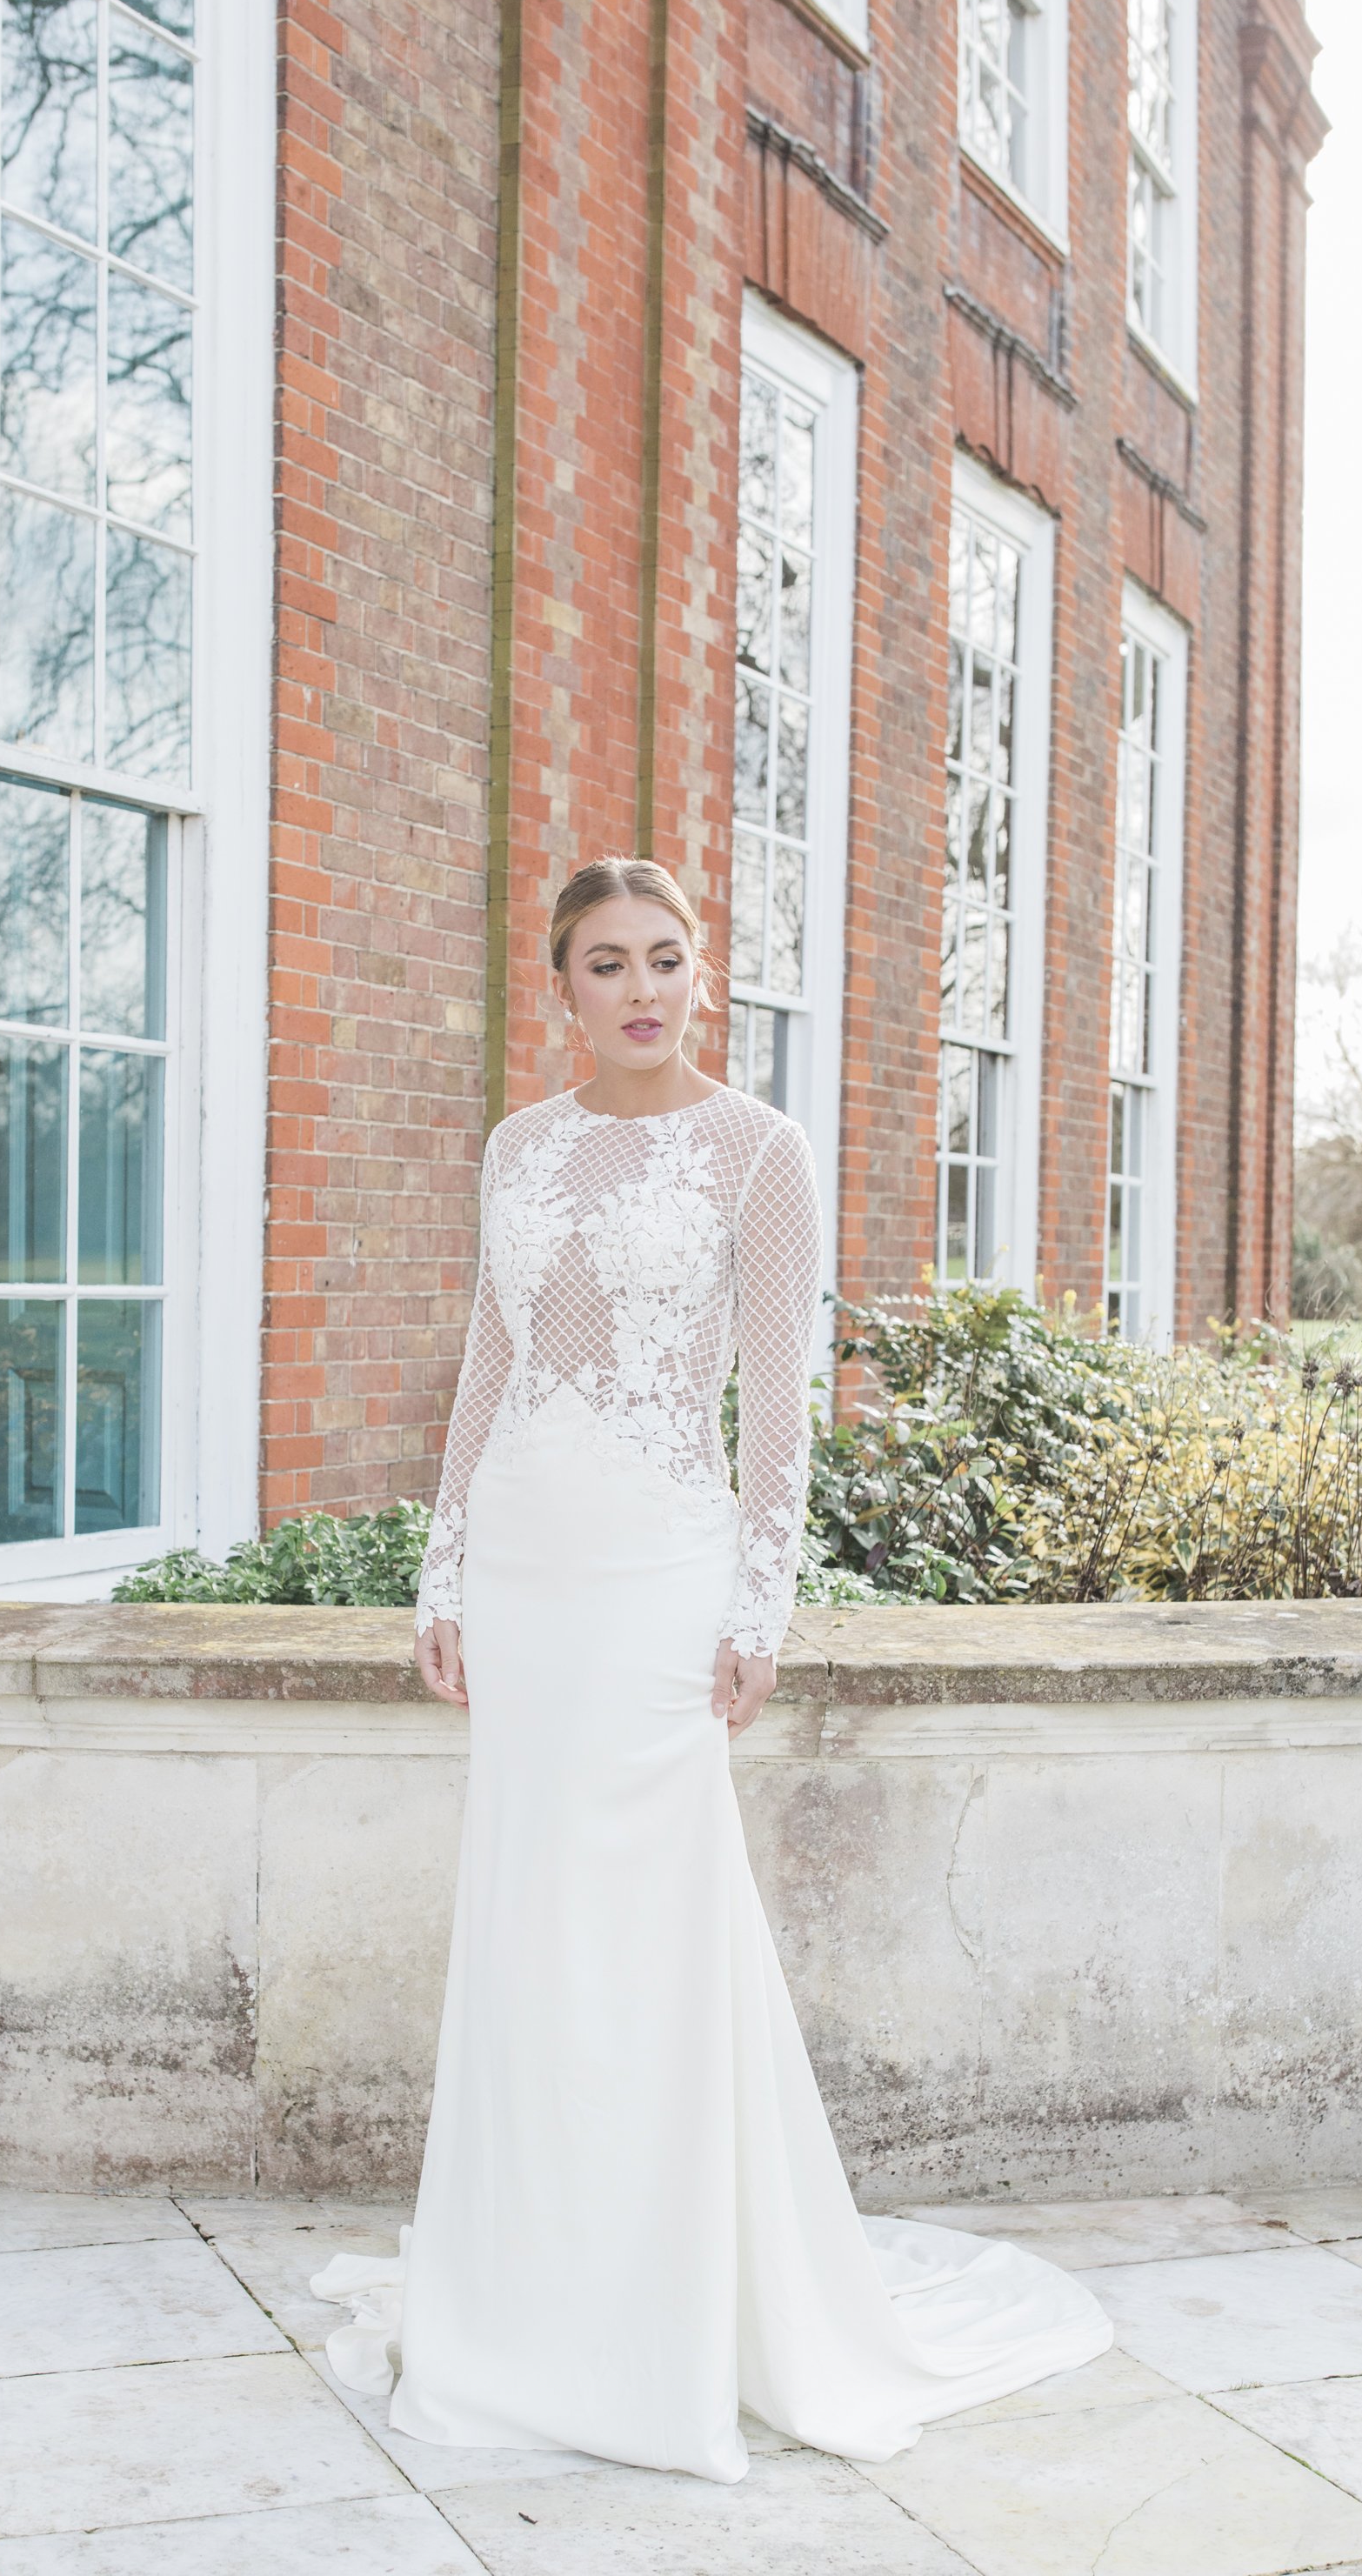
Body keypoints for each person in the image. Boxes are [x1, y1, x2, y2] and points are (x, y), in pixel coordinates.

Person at [312, 855, 1111, 2483]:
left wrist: (761, 1606)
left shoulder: (760, 1154)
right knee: (529, 1912)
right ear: (560, 988)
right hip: (527, 1573)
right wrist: (442, 1564)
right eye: (604, 963)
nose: (640, 989)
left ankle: (668, 2304)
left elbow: (775, 1402)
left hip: (661, 1581)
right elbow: (490, 1351)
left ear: (702, 973)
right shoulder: (516, 1148)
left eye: (664, 958)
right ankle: (519, 2289)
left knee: (654, 1921)